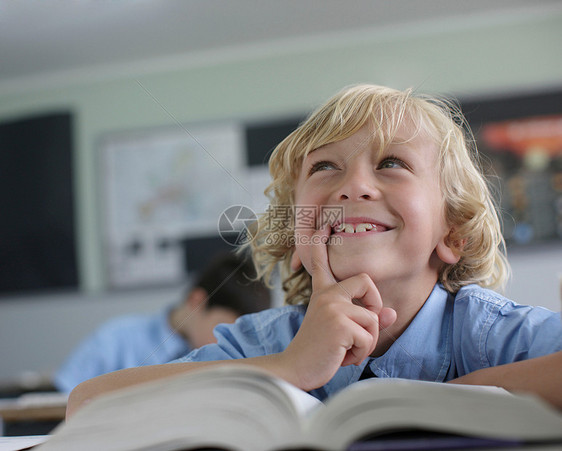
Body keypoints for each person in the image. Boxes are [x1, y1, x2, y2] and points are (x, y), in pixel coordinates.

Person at [67, 84, 562, 416]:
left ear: (451, 235)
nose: (354, 186)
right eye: (325, 168)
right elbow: (89, 403)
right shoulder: (267, 343)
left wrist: (434, 406)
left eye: (391, 162)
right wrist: (288, 369)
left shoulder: (488, 334)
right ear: (296, 238)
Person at [54, 251, 271, 393]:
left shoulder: (235, 358)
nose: (230, 342)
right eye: (224, 329)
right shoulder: (115, 339)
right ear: (196, 301)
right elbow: (61, 403)